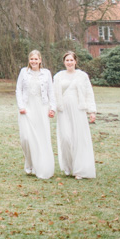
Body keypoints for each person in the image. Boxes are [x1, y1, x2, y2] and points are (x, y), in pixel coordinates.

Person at [53, 50, 97, 179]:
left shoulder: (82, 76)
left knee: (78, 139)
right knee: (65, 138)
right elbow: (53, 94)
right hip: (63, 111)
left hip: (78, 110)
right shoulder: (58, 76)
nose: (69, 62)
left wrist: (92, 111)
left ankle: (79, 169)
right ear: (64, 62)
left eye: (71, 60)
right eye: (67, 60)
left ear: (75, 61)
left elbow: (89, 93)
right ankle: (68, 166)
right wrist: (52, 109)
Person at [15, 49, 55, 179]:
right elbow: (18, 90)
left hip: (41, 108)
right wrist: (21, 106)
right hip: (27, 108)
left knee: (41, 137)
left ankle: (41, 165)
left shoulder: (46, 73)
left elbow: (51, 91)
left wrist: (52, 108)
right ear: (29, 60)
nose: (34, 61)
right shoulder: (24, 72)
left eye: (36, 59)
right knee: (26, 138)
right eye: (31, 59)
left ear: (40, 60)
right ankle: (29, 163)